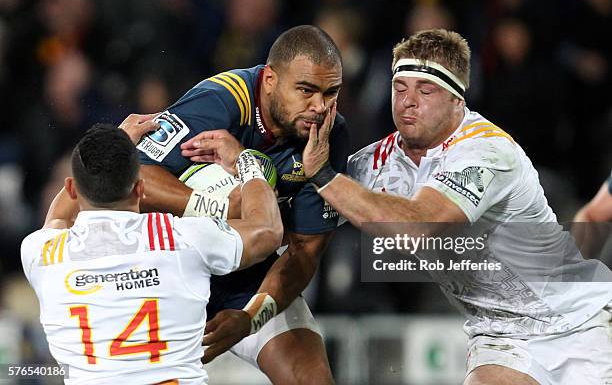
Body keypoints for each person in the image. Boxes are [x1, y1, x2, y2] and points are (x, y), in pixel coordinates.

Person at [296, 29, 612, 384]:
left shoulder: (487, 152)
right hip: (498, 335)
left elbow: (423, 224)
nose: (407, 101)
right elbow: (304, 209)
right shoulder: (373, 163)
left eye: (425, 91)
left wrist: (325, 178)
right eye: (400, 88)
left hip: (576, 324)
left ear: (457, 101)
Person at [130, 25, 348, 383]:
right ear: (270, 80)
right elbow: (137, 177)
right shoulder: (220, 101)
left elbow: (304, 251)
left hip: (244, 272)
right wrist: (229, 210)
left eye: (331, 93)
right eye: (306, 91)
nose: (319, 107)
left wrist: (250, 317)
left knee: (312, 377)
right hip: (164, 264)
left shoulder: (330, 135)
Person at [20, 124, 283, 384]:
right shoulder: (182, 237)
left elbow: (58, 217)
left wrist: (119, 139)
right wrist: (245, 160)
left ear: (71, 189)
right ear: (140, 188)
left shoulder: (40, 253)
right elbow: (267, 230)